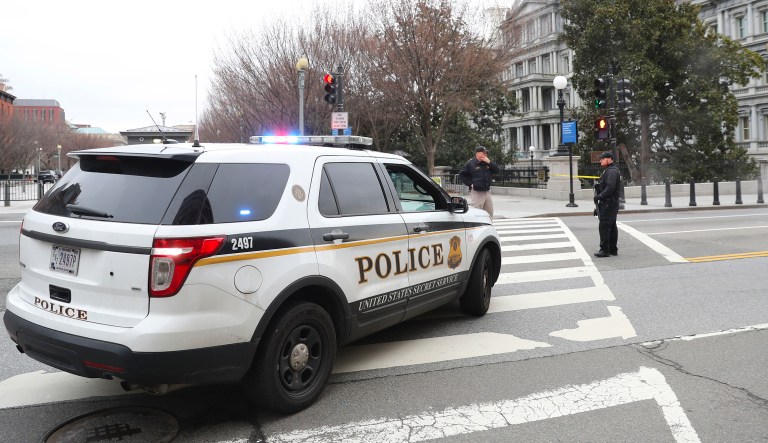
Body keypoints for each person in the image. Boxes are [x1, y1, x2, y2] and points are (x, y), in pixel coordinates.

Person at [458, 145, 500, 217]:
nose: (485, 154)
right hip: (477, 192)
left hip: (487, 191)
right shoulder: (470, 163)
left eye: (486, 153)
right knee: (476, 213)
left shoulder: (487, 163)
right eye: (483, 153)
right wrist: (470, 184)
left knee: (489, 213)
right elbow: (461, 175)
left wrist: (489, 162)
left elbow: (497, 170)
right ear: (477, 153)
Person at [593, 151, 621, 257]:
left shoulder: (612, 172)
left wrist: (599, 196)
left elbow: (610, 188)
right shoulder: (609, 171)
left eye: (602, 158)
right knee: (612, 225)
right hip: (611, 203)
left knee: (604, 226)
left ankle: (604, 250)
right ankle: (612, 249)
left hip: (609, 203)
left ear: (609, 159)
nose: (600, 160)